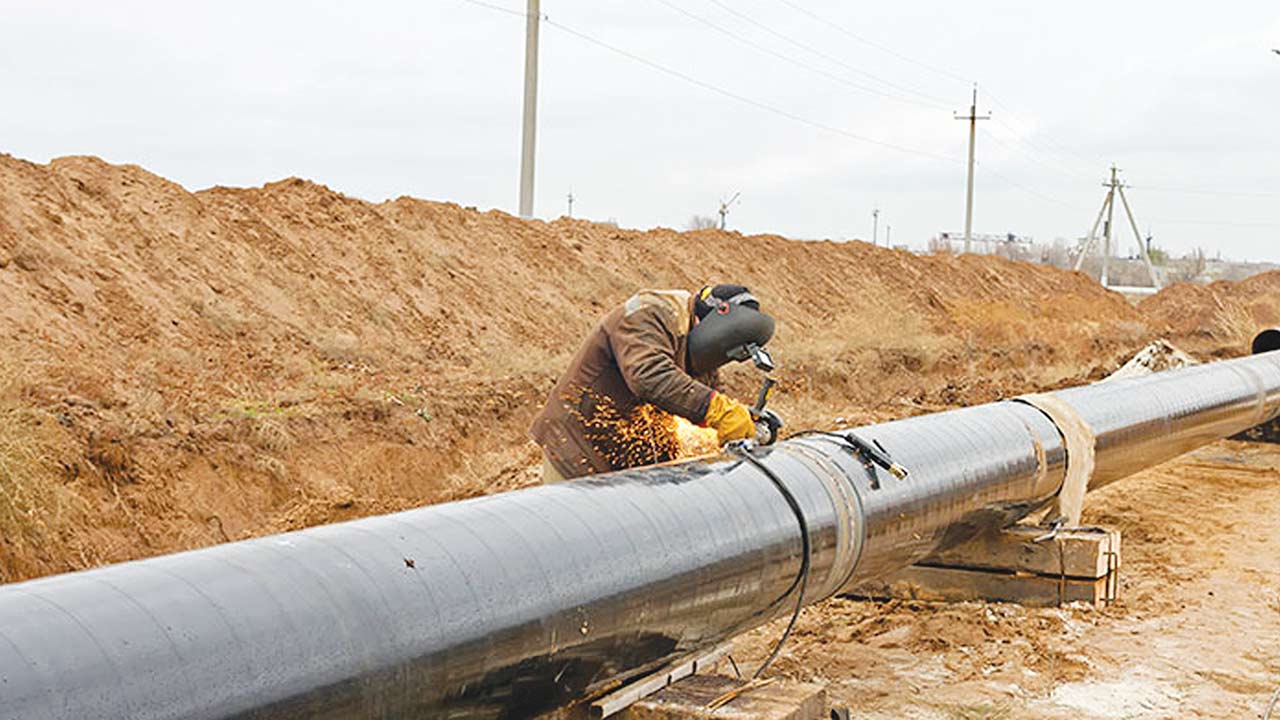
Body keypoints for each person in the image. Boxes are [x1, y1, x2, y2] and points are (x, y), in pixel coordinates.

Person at [530, 284, 775, 481]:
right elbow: (649, 375)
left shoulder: (695, 343)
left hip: (631, 465)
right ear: (709, 320)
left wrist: (746, 419)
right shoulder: (649, 314)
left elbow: (704, 396)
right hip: (578, 451)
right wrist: (718, 410)